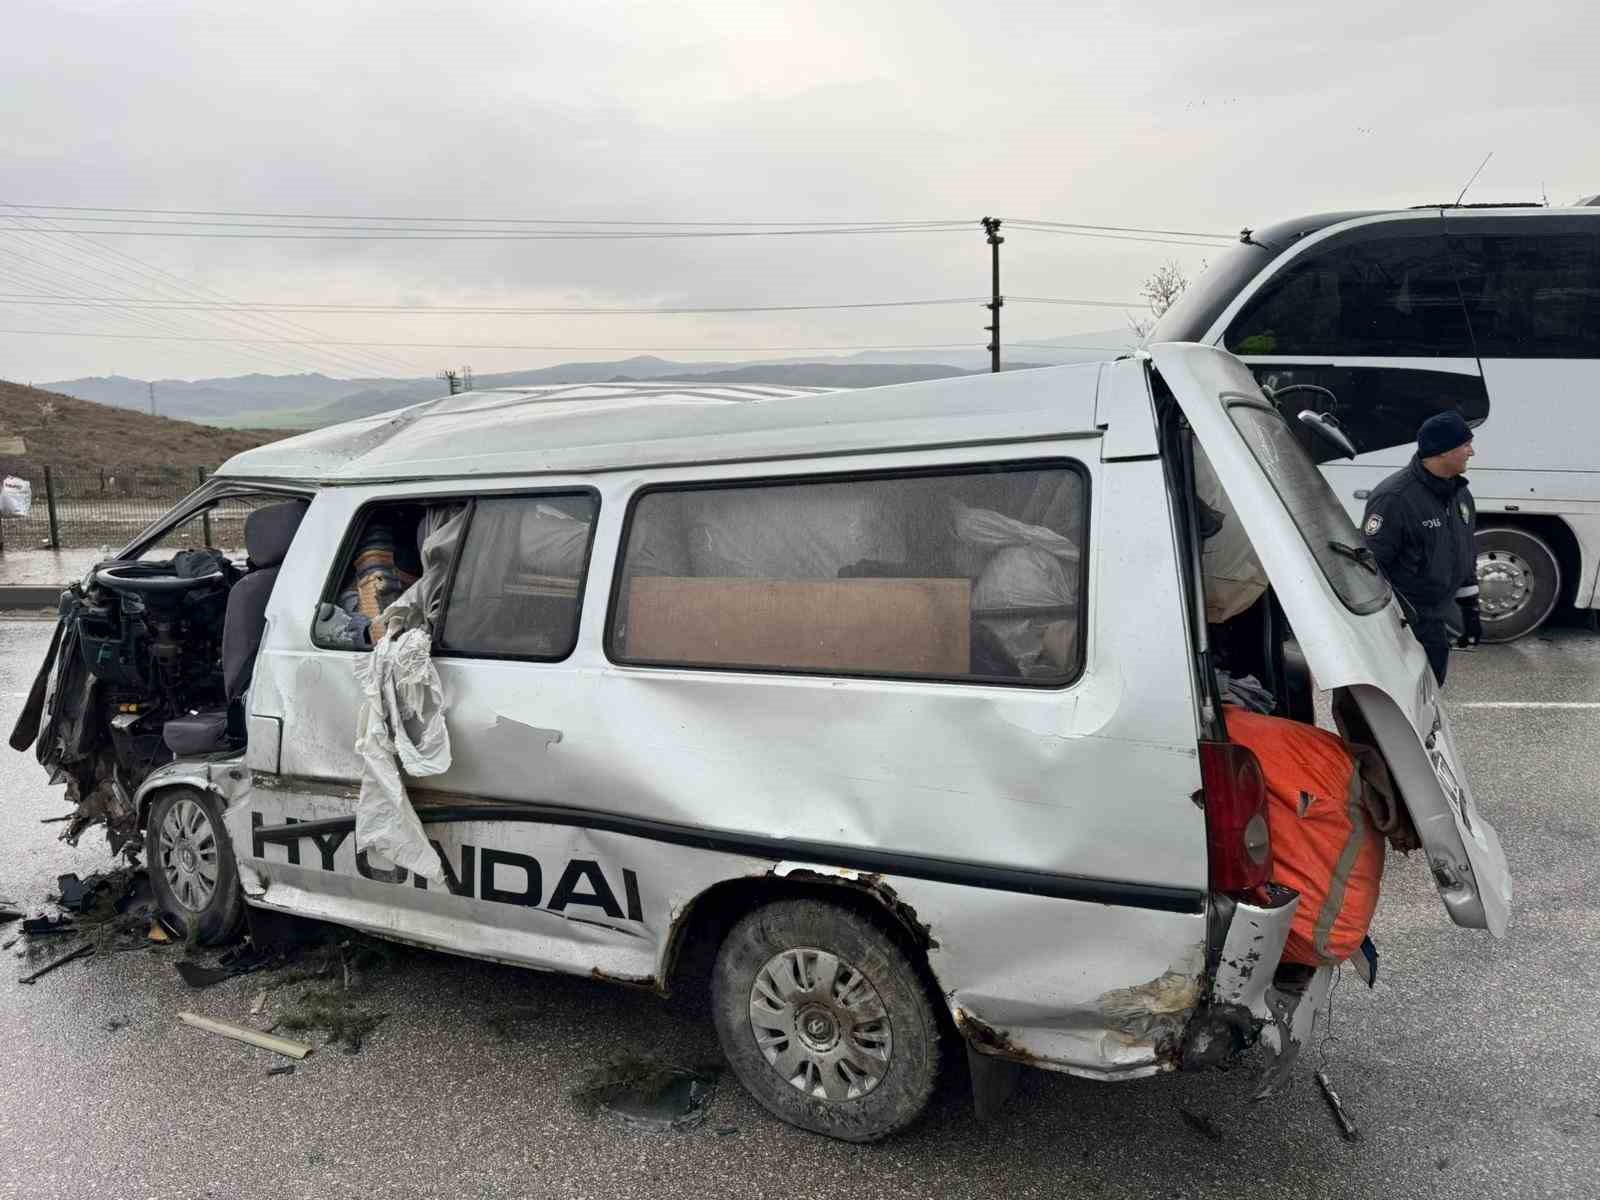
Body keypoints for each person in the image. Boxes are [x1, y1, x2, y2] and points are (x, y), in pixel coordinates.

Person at [1361, 411, 1480, 684]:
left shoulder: (1460, 494)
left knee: (1431, 694)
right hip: (1404, 626)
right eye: (1465, 445)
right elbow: (1370, 567)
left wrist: (1471, 611)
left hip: (1436, 622)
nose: (1471, 452)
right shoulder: (1395, 498)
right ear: (1441, 451)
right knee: (1404, 701)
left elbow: (1464, 552)